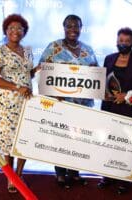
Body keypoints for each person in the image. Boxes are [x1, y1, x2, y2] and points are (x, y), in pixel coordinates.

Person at [38, 14, 98, 189]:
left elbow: (95, 74)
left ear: (81, 28)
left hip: (83, 105)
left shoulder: (88, 50)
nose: (73, 29)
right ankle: (61, 174)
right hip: (61, 103)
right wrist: (53, 93)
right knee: (62, 138)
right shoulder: (53, 48)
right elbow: (43, 72)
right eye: (69, 26)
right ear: (64, 27)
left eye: (76, 26)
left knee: (79, 139)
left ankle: (75, 173)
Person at [97, 27, 132, 194]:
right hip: (110, 108)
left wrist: (128, 97)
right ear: (116, 41)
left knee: (126, 145)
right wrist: (102, 94)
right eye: (121, 41)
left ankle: (125, 179)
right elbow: (102, 82)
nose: (123, 44)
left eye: (127, 41)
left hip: (130, 110)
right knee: (110, 143)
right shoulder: (109, 58)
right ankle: (109, 175)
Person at [0, 14, 38, 193]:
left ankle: (19, 173)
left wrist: (38, 69)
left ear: (24, 31)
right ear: (5, 31)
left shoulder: (28, 50)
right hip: (8, 104)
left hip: (26, 101)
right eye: (11, 28)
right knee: (9, 142)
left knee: (24, 139)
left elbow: (27, 74)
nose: (15, 31)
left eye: (19, 28)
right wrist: (17, 87)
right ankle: (10, 177)